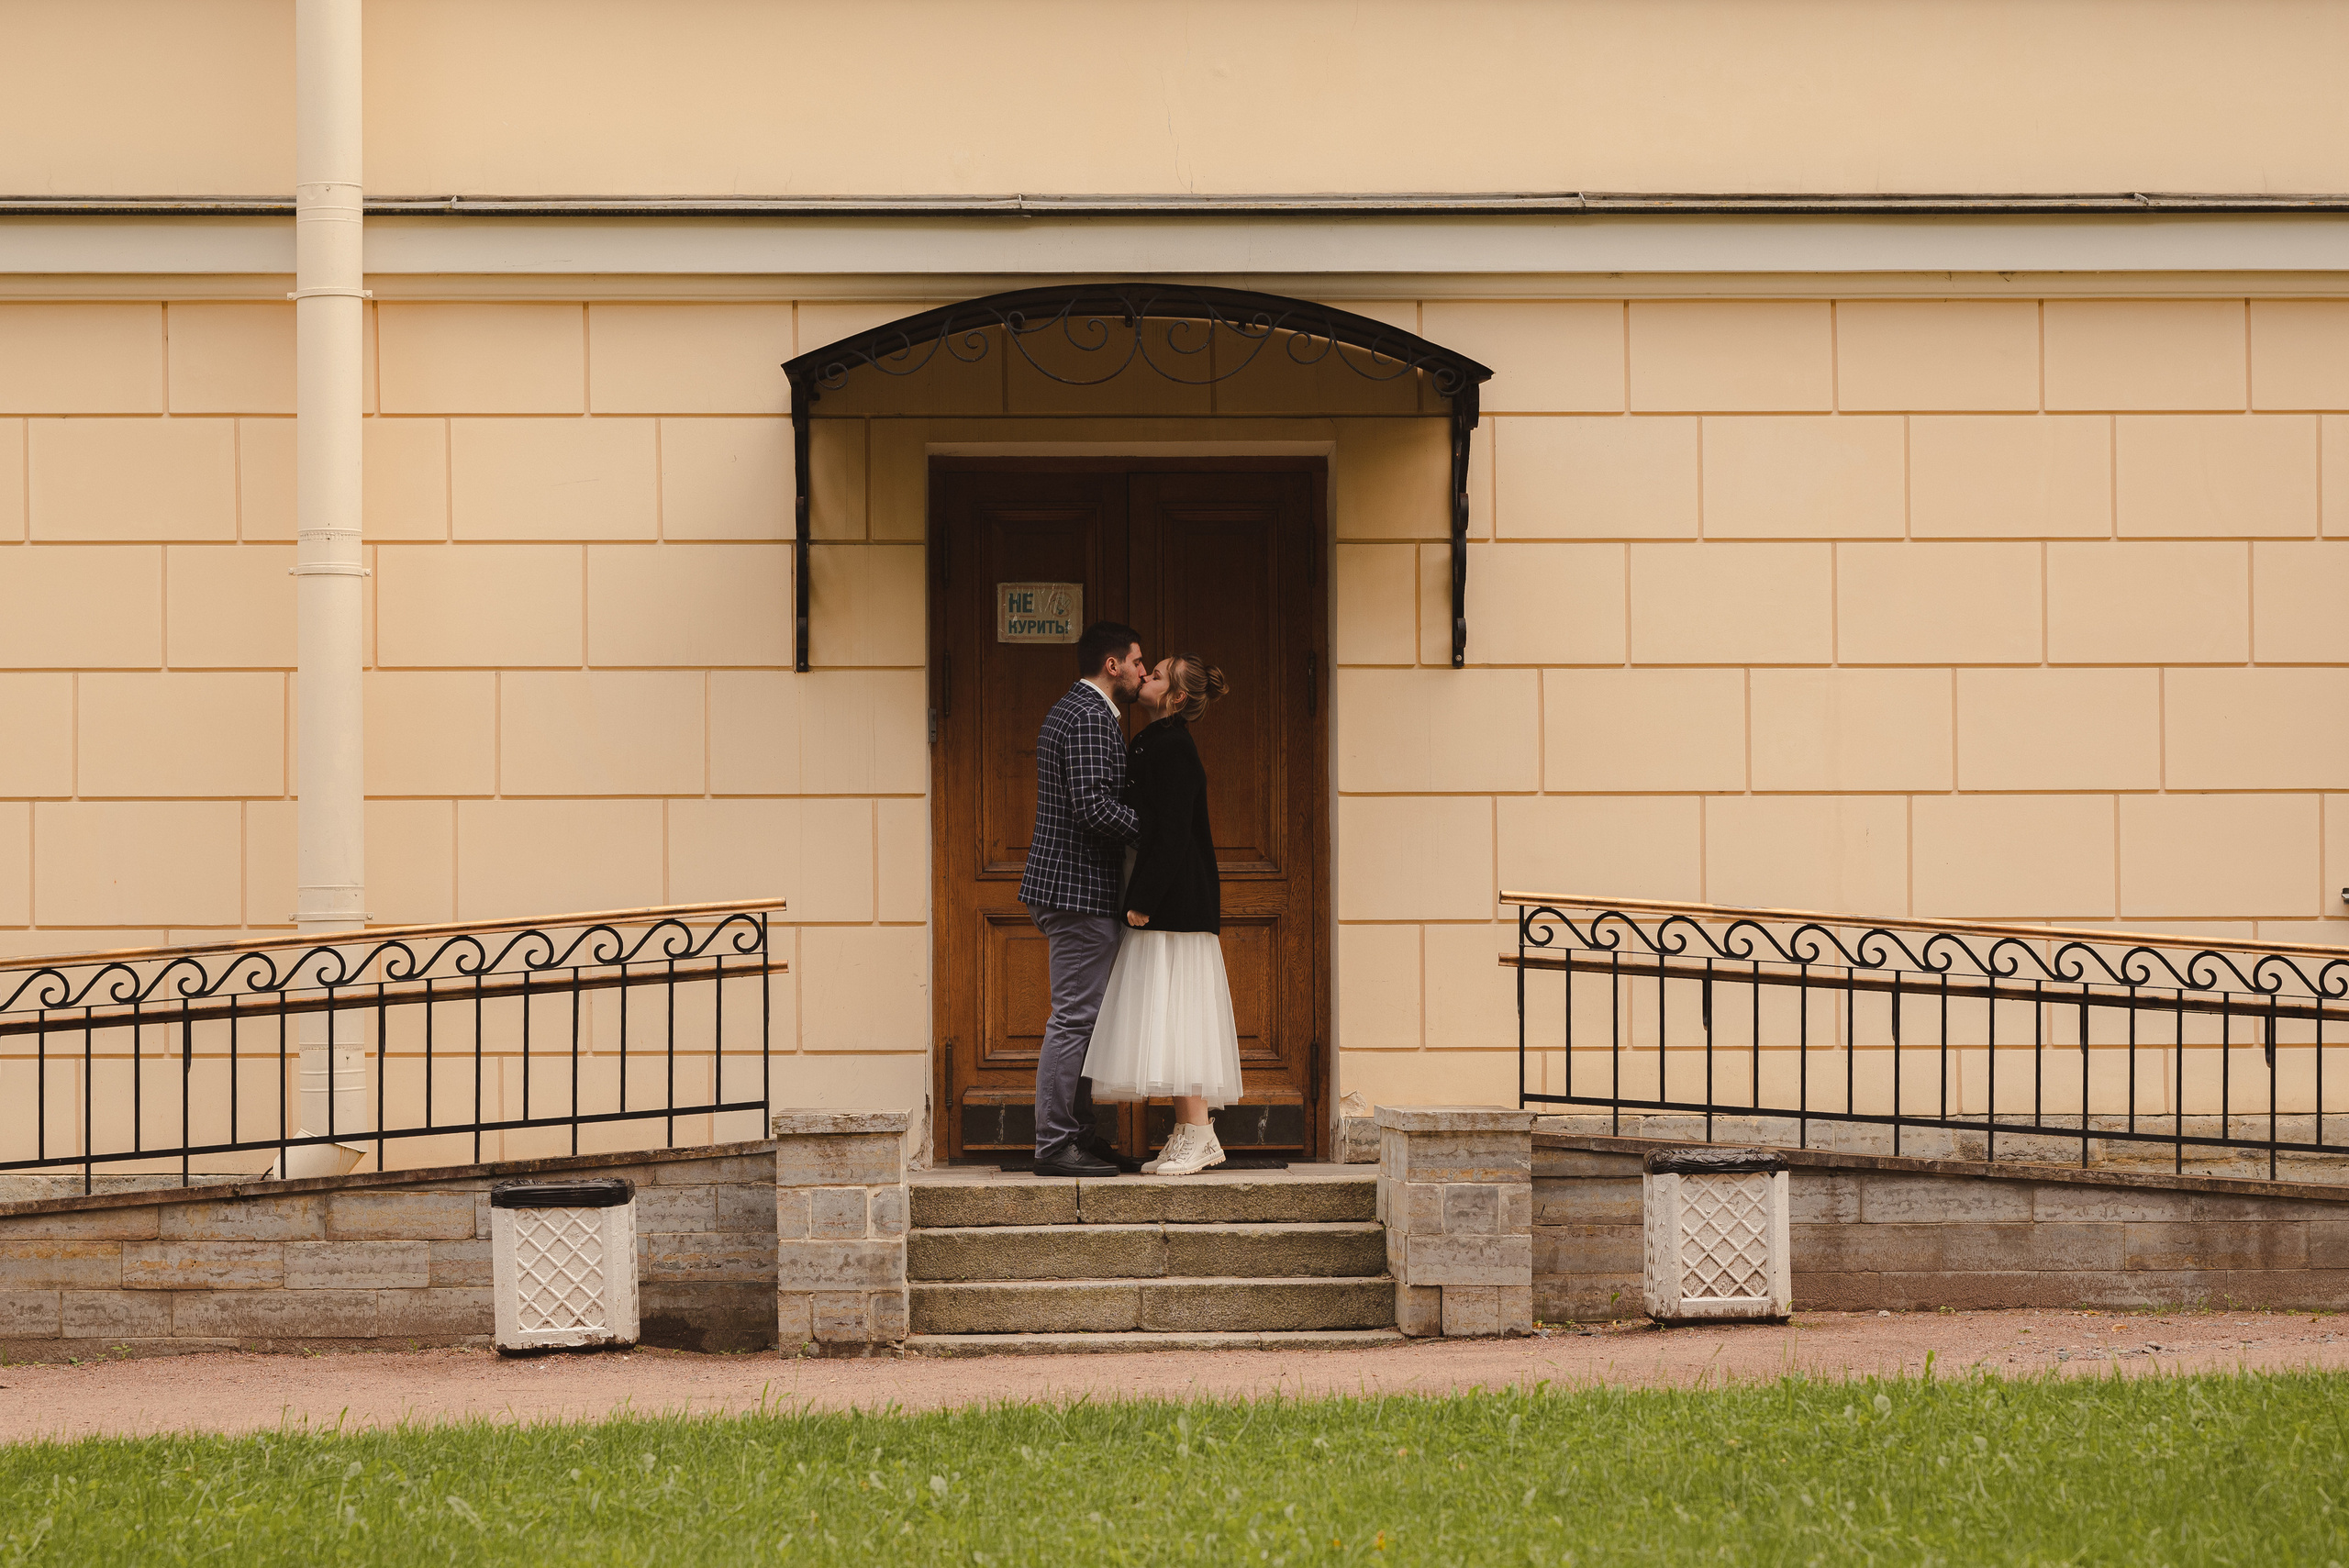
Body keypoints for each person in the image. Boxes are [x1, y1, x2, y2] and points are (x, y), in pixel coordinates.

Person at [1083, 654, 1241, 1177]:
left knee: (1181, 1016)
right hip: (1167, 902)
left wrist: (1143, 899)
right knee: (1170, 1016)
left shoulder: (1173, 746)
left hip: (1175, 904)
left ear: (1174, 697)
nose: (1145, 675)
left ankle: (1199, 1135)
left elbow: (1172, 833)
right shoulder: (1158, 739)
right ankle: (1188, 1132)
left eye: (1156, 675)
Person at [1017, 621, 1148, 1179]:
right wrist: (1156, 831)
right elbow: (1092, 807)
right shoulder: (1092, 716)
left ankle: (1081, 1137)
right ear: (1112, 665)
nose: (1145, 671)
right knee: (1074, 1020)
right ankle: (1054, 1144)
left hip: (1072, 888)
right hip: (1077, 893)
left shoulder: (1074, 709)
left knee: (1085, 1020)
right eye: (1139, 661)